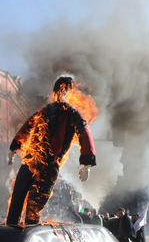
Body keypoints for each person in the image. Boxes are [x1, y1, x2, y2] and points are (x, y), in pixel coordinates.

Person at [6, 75, 96, 226]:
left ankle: (30, 228)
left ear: (70, 93)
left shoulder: (73, 115)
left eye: (65, 90)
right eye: (59, 90)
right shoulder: (44, 111)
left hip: (49, 165)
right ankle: (11, 228)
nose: (62, 93)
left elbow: (84, 133)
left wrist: (86, 164)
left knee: (35, 203)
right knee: (17, 196)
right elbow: (27, 127)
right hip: (31, 160)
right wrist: (14, 148)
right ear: (55, 92)